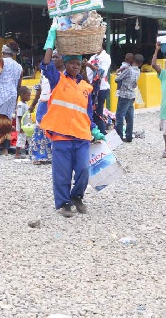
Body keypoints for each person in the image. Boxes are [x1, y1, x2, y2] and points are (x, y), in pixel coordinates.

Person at [40, 26, 104, 217]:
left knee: (83, 169)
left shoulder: (86, 87)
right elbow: (46, 65)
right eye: (72, 63)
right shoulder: (57, 80)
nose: (76, 66)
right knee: (62, 173)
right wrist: (50, 43)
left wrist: (95, 130)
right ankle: (63, 202)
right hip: (61, 135)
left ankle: (77, 196)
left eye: (78, 64)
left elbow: (87, 113)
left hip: (82, 135)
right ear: (66, 65)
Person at [28, 50, 64, 165]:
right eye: (52, 57)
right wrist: (33, 104)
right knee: (40, 129)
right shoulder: (44, 72)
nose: (53, 59)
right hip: (43, 102)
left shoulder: (65, 74)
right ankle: (39, 156)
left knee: (54, 129)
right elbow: (39, 88)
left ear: (63, 59)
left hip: (56, 104)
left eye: (56, 57)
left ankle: (54, 156)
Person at [115, 54, 144, 142]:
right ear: (141, 63)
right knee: (130, 117)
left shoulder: (128, 70)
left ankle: (119, 137)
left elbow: (117, 79)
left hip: (124, 95)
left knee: (119, 116)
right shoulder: (138, 71)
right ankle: (128, 136)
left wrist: (118, 71)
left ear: (133, 60)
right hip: (132, 95)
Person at [85, 48, 111, 135]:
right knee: (92, 113)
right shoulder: (93, 57)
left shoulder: (105, 57)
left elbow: (102, 73)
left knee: (97, 114)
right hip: (91, 87)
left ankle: (102, 134)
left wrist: (88, 65)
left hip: (101, 88)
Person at [14, 86, 31, 159]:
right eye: (28, 95)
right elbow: (19, 116)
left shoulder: (25, 104)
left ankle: (31, 153)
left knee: (29, 139)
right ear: (22, 95)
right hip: (22, 126)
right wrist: (21, 126)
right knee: (21, 139)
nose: (29, 97)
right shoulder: (20, 105)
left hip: (27, 125)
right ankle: (17, 154)